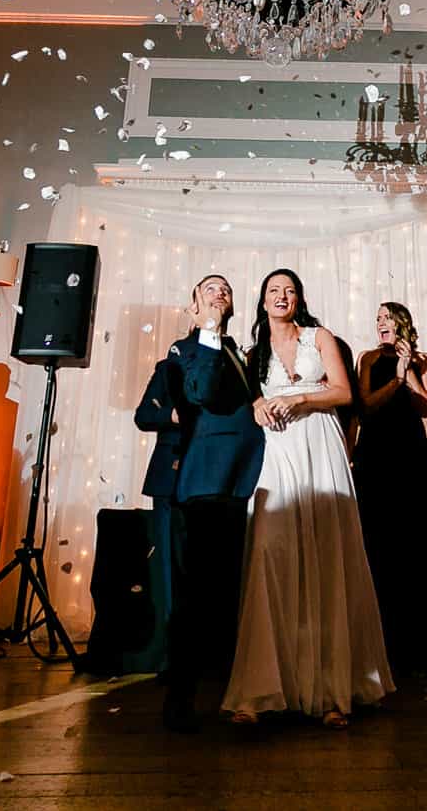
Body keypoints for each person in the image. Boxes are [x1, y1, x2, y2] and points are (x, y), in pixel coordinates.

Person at [222, 269, 390, 727]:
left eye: (289, 290)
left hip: (319, 445)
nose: (282, 296)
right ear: (262, 301)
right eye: (274, 291)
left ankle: (334, 691)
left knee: (326, 556)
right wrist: (257, 404)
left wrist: (300, 402)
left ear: (299, 299)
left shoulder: (320, 337)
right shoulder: (253, 354)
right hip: (277, 454)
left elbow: (342, 391)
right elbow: (247, 403)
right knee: (271, 557)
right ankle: (258, 691)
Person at [157, 274, 263, 733]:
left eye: (226, 289)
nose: (221, 293)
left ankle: (228, 689)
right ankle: (179, 701)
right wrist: (210, 334)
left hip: (246, 482)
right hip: (207, 485)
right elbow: (199, 392)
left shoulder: (239, 349)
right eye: (210, 289)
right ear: (194, 304)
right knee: (197, 596)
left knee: (228, 595)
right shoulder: (187, 350)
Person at [350, 301, 427, 673]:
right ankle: (380, 643)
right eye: (377, 319)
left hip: (408, 456)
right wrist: (395, 377)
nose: (381, 324)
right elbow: (366, 407)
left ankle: (416, 646)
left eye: (387, 318)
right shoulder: (368, 359)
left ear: (402, 324)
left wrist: (408, 372)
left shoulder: (422, 359)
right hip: (375, 456)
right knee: (378, 544)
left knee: (412, 546)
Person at [131, 345, 186, 676]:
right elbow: (144, 415)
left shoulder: (228, 364)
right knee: (167, 566)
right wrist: (173, 415)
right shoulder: (168, 367)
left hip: (213, 477)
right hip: (170, 476)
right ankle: (170, 652)